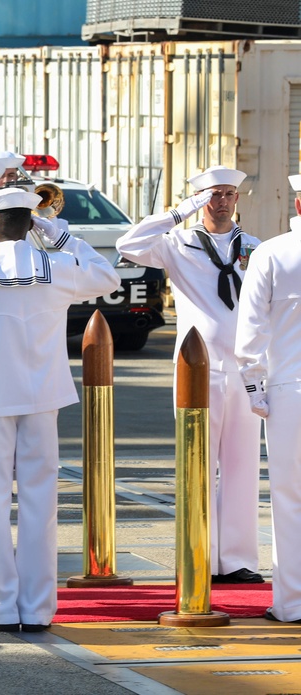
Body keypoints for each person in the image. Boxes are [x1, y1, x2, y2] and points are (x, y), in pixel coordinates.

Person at [0, 188, 120, 631]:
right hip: (43, 400)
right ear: (30, 222)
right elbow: (108, 277)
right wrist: (60, 237)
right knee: (42, 503)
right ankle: (38, 609)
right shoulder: (57, 267)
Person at [116, 165, 263, 584]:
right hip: (197, 368)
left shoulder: (252, 246)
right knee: (197, 463)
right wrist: (179, 213)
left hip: (244, 368)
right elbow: (129, 243)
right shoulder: (176, 244)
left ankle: (236, 560)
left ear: (237, 199)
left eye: (228, 194)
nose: (221, 201)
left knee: (242, 464)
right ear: (200, 199)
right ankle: (199, 552)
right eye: (213, 194)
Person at [235, 173, 301, 622]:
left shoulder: (274, 252)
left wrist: (255, 389)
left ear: (297, 205)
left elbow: (250, 333)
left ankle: (292, 603)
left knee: (289, 498)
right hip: (287, 385)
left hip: (288, 387)